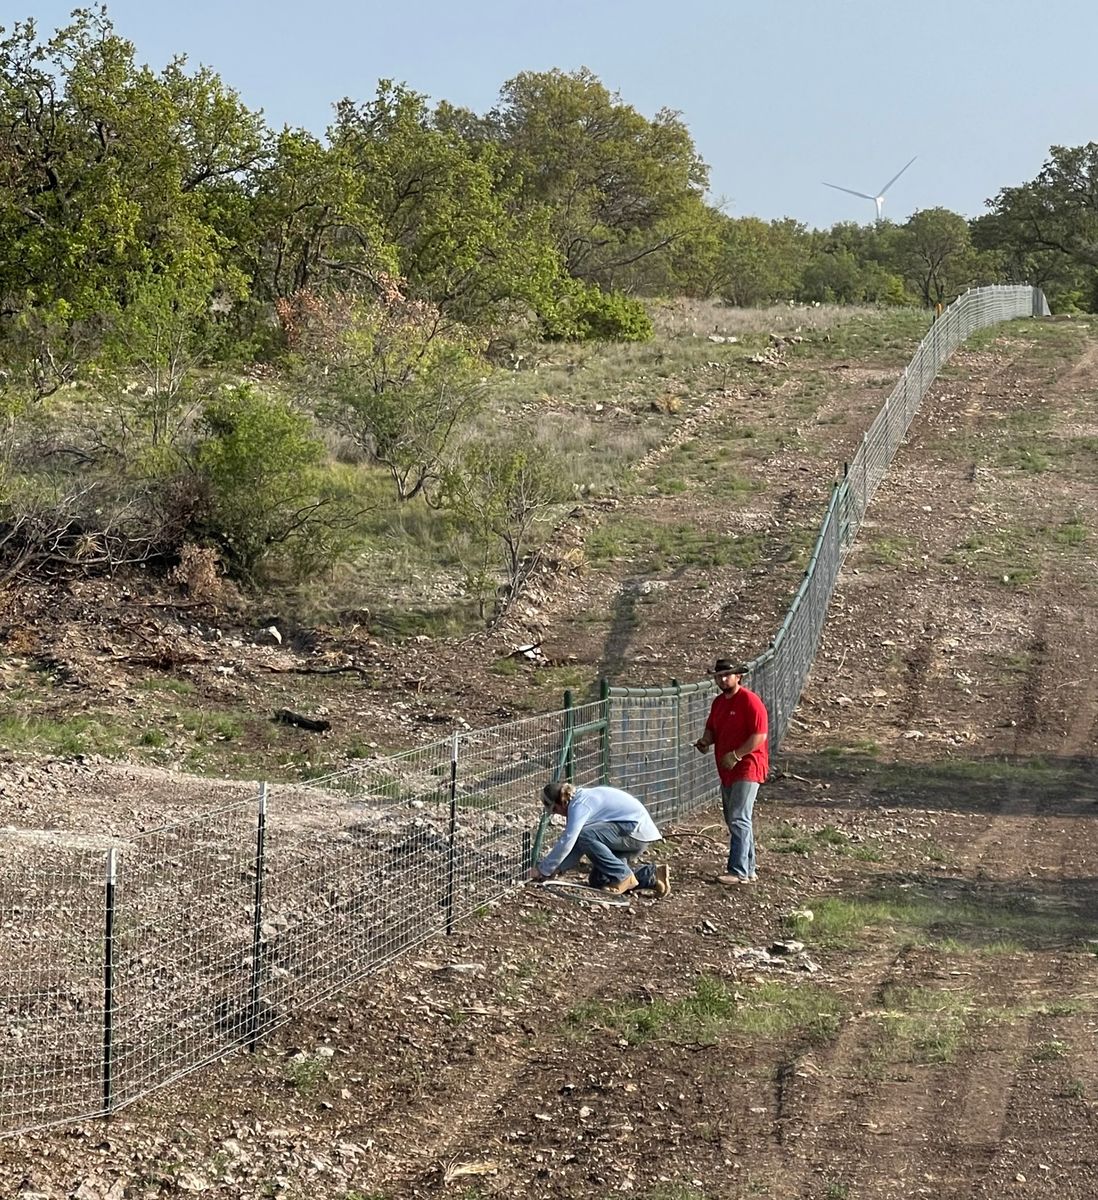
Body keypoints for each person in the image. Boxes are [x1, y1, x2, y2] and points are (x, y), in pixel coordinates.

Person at [694, 658, 769, 886]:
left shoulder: (750, 701)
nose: (723, 679)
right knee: (735, 818)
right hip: (726, 769)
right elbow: (712, 729)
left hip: (748, 766)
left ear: (739, 677)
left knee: (738, 817)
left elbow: (759, 736)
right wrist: (706, 741)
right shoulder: (718, 703)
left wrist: (736, 755)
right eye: (719, 676)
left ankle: (738, 871)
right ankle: (749, 868)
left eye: (727, 675)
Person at [528, 780, 671, 898]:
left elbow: (569, 840)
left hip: (634, 832)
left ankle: (623, 876)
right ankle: (652, 875)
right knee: (599, 881)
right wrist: (557, 869)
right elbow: (577, 846)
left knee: (584, 835)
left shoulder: (579, 805)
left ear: (562, 803)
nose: (557, 814)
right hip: (628, 834)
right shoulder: (580, 800)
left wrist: (544, 870)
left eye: (555, 810)